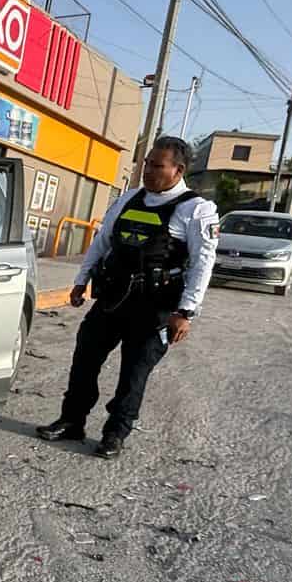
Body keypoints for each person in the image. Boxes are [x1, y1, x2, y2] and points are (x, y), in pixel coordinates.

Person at [36, 136, 218, 458]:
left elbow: (203, 264)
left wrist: (186, 312)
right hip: (112, 300)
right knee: (84, 362)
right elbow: (102, 241)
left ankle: (115, 434)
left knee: (133, 375)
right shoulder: (129, 199)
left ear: (178, 170)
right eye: (146, 163)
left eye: (157, 166)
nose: (147, 171)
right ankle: (72, 421)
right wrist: (80, 282)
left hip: (155, 308)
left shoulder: (196, 210)